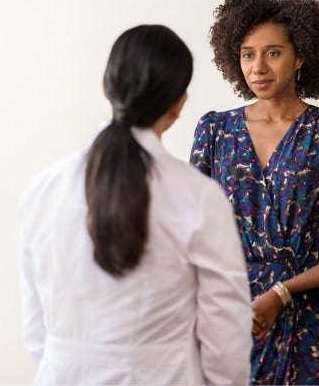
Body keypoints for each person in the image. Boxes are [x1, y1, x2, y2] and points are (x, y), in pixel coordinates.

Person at [19, 24, 252, 385]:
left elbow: (36, 331)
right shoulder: (199, 197)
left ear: (105, 86)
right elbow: (226, 334)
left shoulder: (43, 189)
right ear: (179, 104)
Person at [190, 0, 319, 385]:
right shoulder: (214, 132)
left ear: (300, 57)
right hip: (236, 318)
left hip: (315, 326)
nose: (258, 67)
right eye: (248, 54)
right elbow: (192, 233)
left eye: (273, 53)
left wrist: (283, 291)